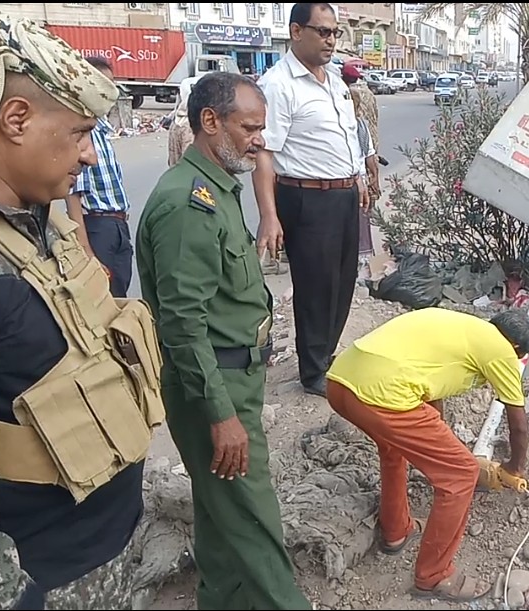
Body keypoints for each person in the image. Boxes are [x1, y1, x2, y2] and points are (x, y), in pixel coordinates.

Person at [0, 13, 167, 609]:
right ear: (14, 119)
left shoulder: (43, 221)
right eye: (77, 134)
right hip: (38, 582)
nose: (90, 157)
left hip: (111, 551)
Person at [136, 71, 313, 611]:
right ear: (209, 123)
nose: (259, 139)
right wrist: (221, 415)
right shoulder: (188, 205)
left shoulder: (216, 188)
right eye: (250, 127)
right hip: (215, 388)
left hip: (234, 378)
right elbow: (182, 323)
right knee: (257, 524)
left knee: (220, 513)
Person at [325, 307, 529, 602]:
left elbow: (428, 379)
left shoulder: (462, 327)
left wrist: (439, 443)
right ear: (516, 347)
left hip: (340, 382)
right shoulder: (501, 349)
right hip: (383, 395)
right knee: (461, 474)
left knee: (393, 449)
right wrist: (515, 467)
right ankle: (434, 576)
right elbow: (518, 424)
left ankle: (396, 531)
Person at [253, 2, 373, 398]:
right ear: (295, 31)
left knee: (342, 281)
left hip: (342, 195)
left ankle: (325, 355)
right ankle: (312, 371)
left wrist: (358, 177)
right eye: (322, 31)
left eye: (335, 33)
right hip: (306, 198)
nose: (331, 40)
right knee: (316, 285)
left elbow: (346, 135)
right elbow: (265, 154)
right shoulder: (279, 85)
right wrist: (269, 216)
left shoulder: (335, 80)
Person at [63, 56, 134, 297]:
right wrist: (86, 250)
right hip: (97, 226)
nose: (108, 92)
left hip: (118, 224)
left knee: (120, 291)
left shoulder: (101, 129)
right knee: (105, 297)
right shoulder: (82, 129)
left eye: (112, 85)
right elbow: (73, 195)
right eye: (102, 84)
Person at [350, 85, 380, 281]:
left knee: (361, 222)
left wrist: (375, 177)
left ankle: (361, 264)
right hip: (345, 180)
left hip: (358, 180)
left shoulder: (360, 126)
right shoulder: (338, 126)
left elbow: (369, 153)